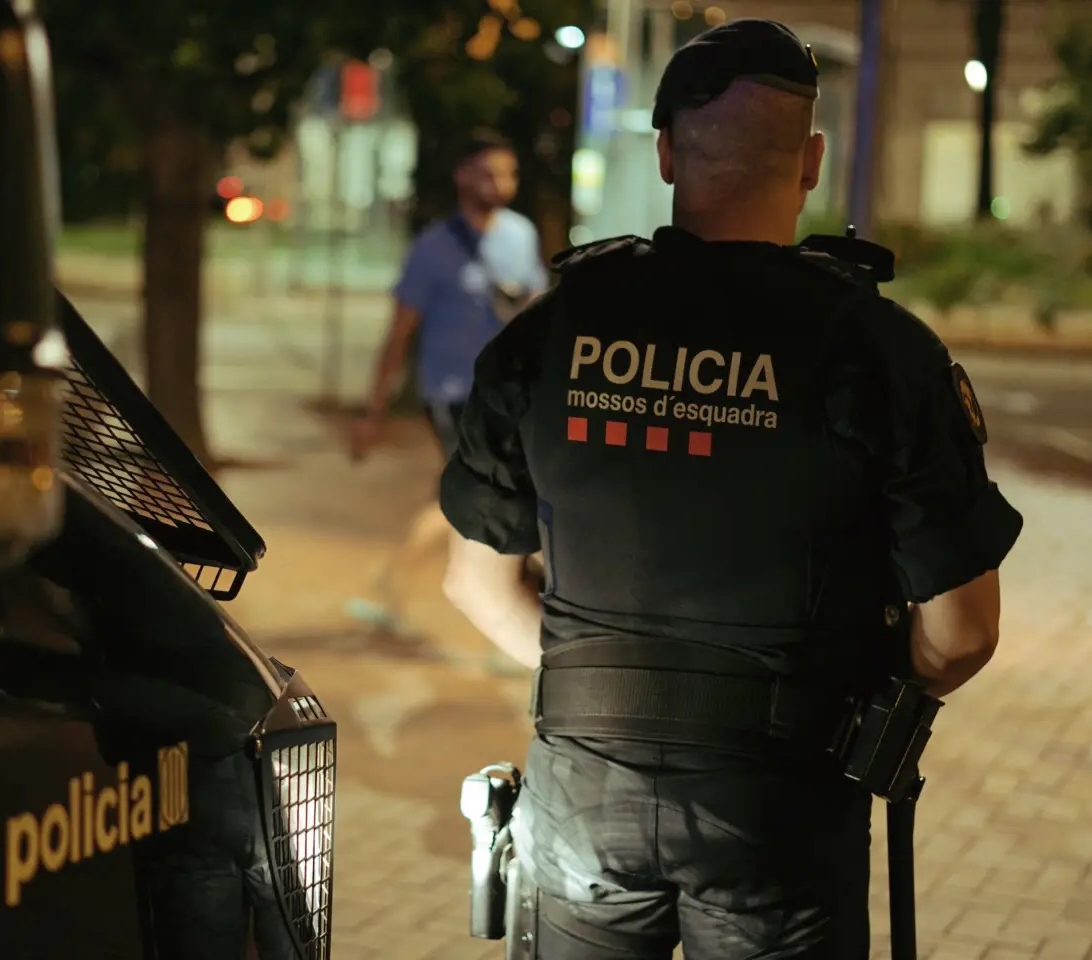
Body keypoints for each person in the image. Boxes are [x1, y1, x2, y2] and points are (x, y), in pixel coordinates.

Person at [437, 18, 1023, 960]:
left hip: (585, 796)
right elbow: (963, 634)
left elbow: (474, 581)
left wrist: (604, 692)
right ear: (811, 162)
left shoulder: (554, 331)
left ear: (665, 152)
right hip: (780, 804)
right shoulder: (880, 351)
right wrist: (845, 701)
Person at [347, 129, 550, 634]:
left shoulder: (520, 235)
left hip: (512, 395)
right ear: (462, 176)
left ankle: (391, 589)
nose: (500, 183)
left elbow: (537, 312)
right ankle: (498, 609)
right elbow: (398, 334)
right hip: (454, 395)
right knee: (479, 497)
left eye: (508, 172)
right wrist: (374, 410)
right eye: (488, 172)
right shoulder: (433, 249)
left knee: (458, 497)